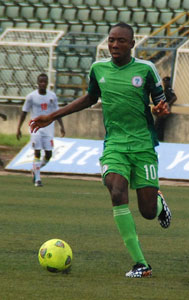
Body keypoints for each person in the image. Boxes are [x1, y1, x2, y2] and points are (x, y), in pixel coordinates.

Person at [29, 22, 172, 278]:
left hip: (143, 146)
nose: (114, 45)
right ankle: (141, 264)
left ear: (131, 44)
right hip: (115, 144)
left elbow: (161, 103)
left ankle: (160, 204)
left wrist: (160, 109)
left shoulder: (146, 69)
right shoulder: (98, 69)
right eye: (111, 40)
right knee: (117, 191)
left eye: (120, 41)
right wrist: (53, 115)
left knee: (148, 212)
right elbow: (90, 98)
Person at [16, 73, 65, 187]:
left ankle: (36, 169)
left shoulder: (52, 96)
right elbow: (24, 112)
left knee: (48, 154)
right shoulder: (31, 97)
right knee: (37, 152)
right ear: (38, 83)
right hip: (36, 128)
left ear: (47, 83)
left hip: (48, 128)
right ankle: (37, 179)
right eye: (41, 82)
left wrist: (62, 126)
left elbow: (57, 113)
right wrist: (18, 128)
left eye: (45, 82)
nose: (43, 84)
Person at [154, 76, 177, 141]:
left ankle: (159, 139)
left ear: (168, 82)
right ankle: (158, 139)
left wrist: (168, 104)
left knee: (159, 125)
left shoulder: (169, 89)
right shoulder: (165, 90)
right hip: (161, 111)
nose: (164, 83)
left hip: (164, 111)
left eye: (166, 81)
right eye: (164, 81)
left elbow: (174, 97)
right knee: (158, 125)